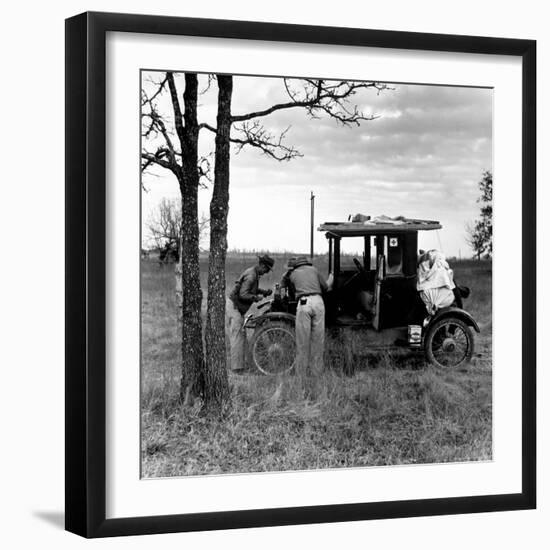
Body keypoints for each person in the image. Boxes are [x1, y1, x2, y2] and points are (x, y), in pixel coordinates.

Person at [226, 254, 274, 373]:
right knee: (237, 337)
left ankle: (241, 366)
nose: (266, 272)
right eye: (266, 269)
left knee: (241, 337)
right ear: (262, 266)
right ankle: (236, 369)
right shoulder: (251, 276)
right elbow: (243, 294)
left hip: (237, 307)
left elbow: (250, 289)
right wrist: (255, 298)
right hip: (234, 307)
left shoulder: (254, 273)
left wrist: (263, 292)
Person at [281, 256, 328, 376]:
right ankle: (316, 373)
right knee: (318, 340)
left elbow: (287, 290)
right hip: (318, 302)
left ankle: (301, 373)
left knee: (302, 341)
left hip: (304, 302)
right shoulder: (314, 270)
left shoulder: (292, 274)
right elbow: (325, 287)